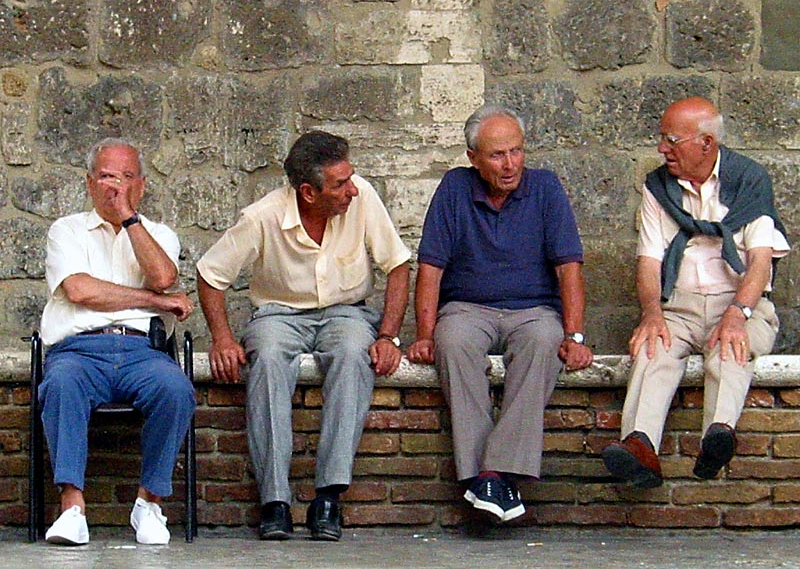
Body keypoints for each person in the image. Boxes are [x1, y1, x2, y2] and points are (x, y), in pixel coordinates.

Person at [196, 131, 410, 542]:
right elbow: (211, 274)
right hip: (278, 313)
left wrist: (388, 335)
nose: (351, 189)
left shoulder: (361, 196)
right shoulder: (263, 216)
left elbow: (398, 265)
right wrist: (222, 338)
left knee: (353, 355)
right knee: (270, 358)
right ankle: (274, 501)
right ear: (309, 192)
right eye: (340, 184)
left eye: (350, 178)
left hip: (347, 311)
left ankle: (328, 497)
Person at [407, 105, 594, 523]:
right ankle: (495, 481)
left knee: (545, 342)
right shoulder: (454, 188)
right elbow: (431, 267)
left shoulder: (545, 188)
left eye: (516, 151)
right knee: (451, 341)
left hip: (533, 310)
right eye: (497, 155)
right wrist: (423, 333)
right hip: (467, 308)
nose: (510, 164)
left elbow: (569, 267)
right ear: (473, 157)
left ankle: (489, 475)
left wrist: (575, 335)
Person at [601, 97, 790, 488]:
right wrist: (651, 312)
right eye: (662, 139)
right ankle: (640, 447)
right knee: (653, 350)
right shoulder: (658, 187)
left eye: (671, 139)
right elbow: (650, 259)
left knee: (731, 349)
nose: (661, 148)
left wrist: (738, 313)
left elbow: (759, 260)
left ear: (706, 143)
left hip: (740, 303)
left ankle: (717, 436)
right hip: (680, 304)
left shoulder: (749, 180)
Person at [38, 138, 196, 546]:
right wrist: (156, 302)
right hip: (78, 350)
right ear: (90, 183)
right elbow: (79, 290)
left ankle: (149, 504)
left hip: (141, 351)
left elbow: (164, 277)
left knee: (176, 389)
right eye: (108, 176)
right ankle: (72, 508)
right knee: (61, 385)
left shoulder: (159, 233)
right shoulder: (66, 230)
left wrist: (128, 216)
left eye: (127, 178)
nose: (116, 186)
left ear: (141, 186)